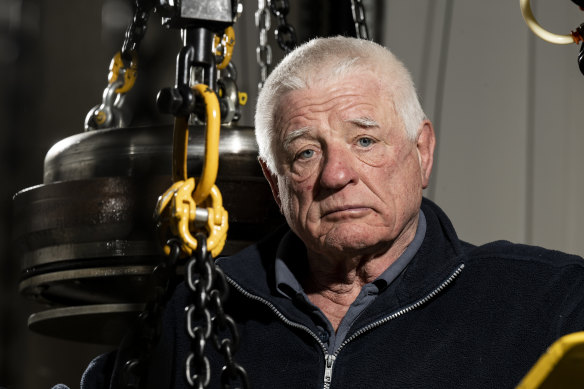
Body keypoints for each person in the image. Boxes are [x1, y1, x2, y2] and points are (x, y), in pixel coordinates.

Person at [79, 36, 584, 388]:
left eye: (365, 140)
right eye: (305, 153)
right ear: (275, 183)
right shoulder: (195, 312)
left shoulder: (545, 301)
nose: (336, 175)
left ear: (422, 151)